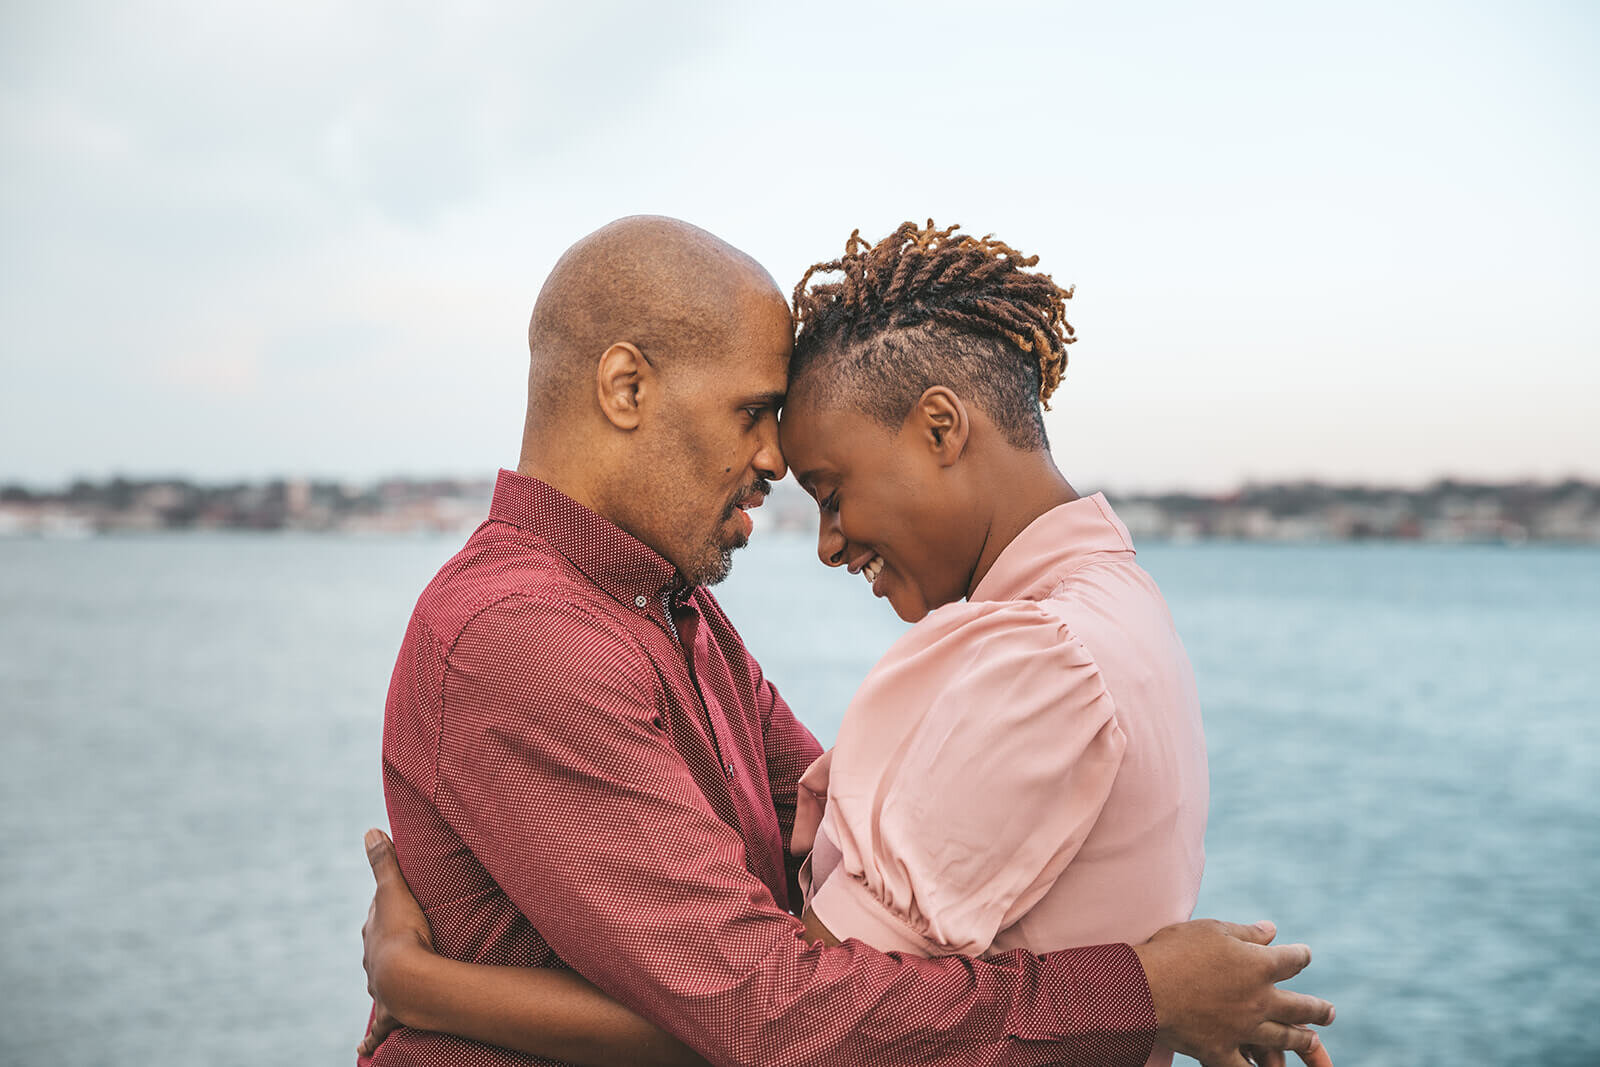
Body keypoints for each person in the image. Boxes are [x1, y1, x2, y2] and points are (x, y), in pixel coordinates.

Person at [358, 215, 1335, 1067]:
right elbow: (765, 1012)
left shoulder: (678, 613)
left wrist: (432, 981)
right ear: (625, 386)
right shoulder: (520, 637)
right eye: (751, 411)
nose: (773, 460)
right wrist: (1139, 995)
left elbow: (802, 930)